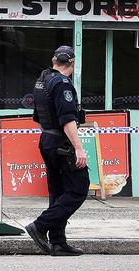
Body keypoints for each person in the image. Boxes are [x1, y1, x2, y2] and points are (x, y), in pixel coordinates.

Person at [26, 46, 89, 256]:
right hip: (62, 143)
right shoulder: (62, 84)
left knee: (58, 192)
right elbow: (68, 120)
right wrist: (78, 148)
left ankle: (58, 242)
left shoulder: (41, 81)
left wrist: (50, 138)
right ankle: (40, 225)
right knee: (79, 188)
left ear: (54, 60)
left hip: (47, 139)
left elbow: (38, 118)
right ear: (72, 63)